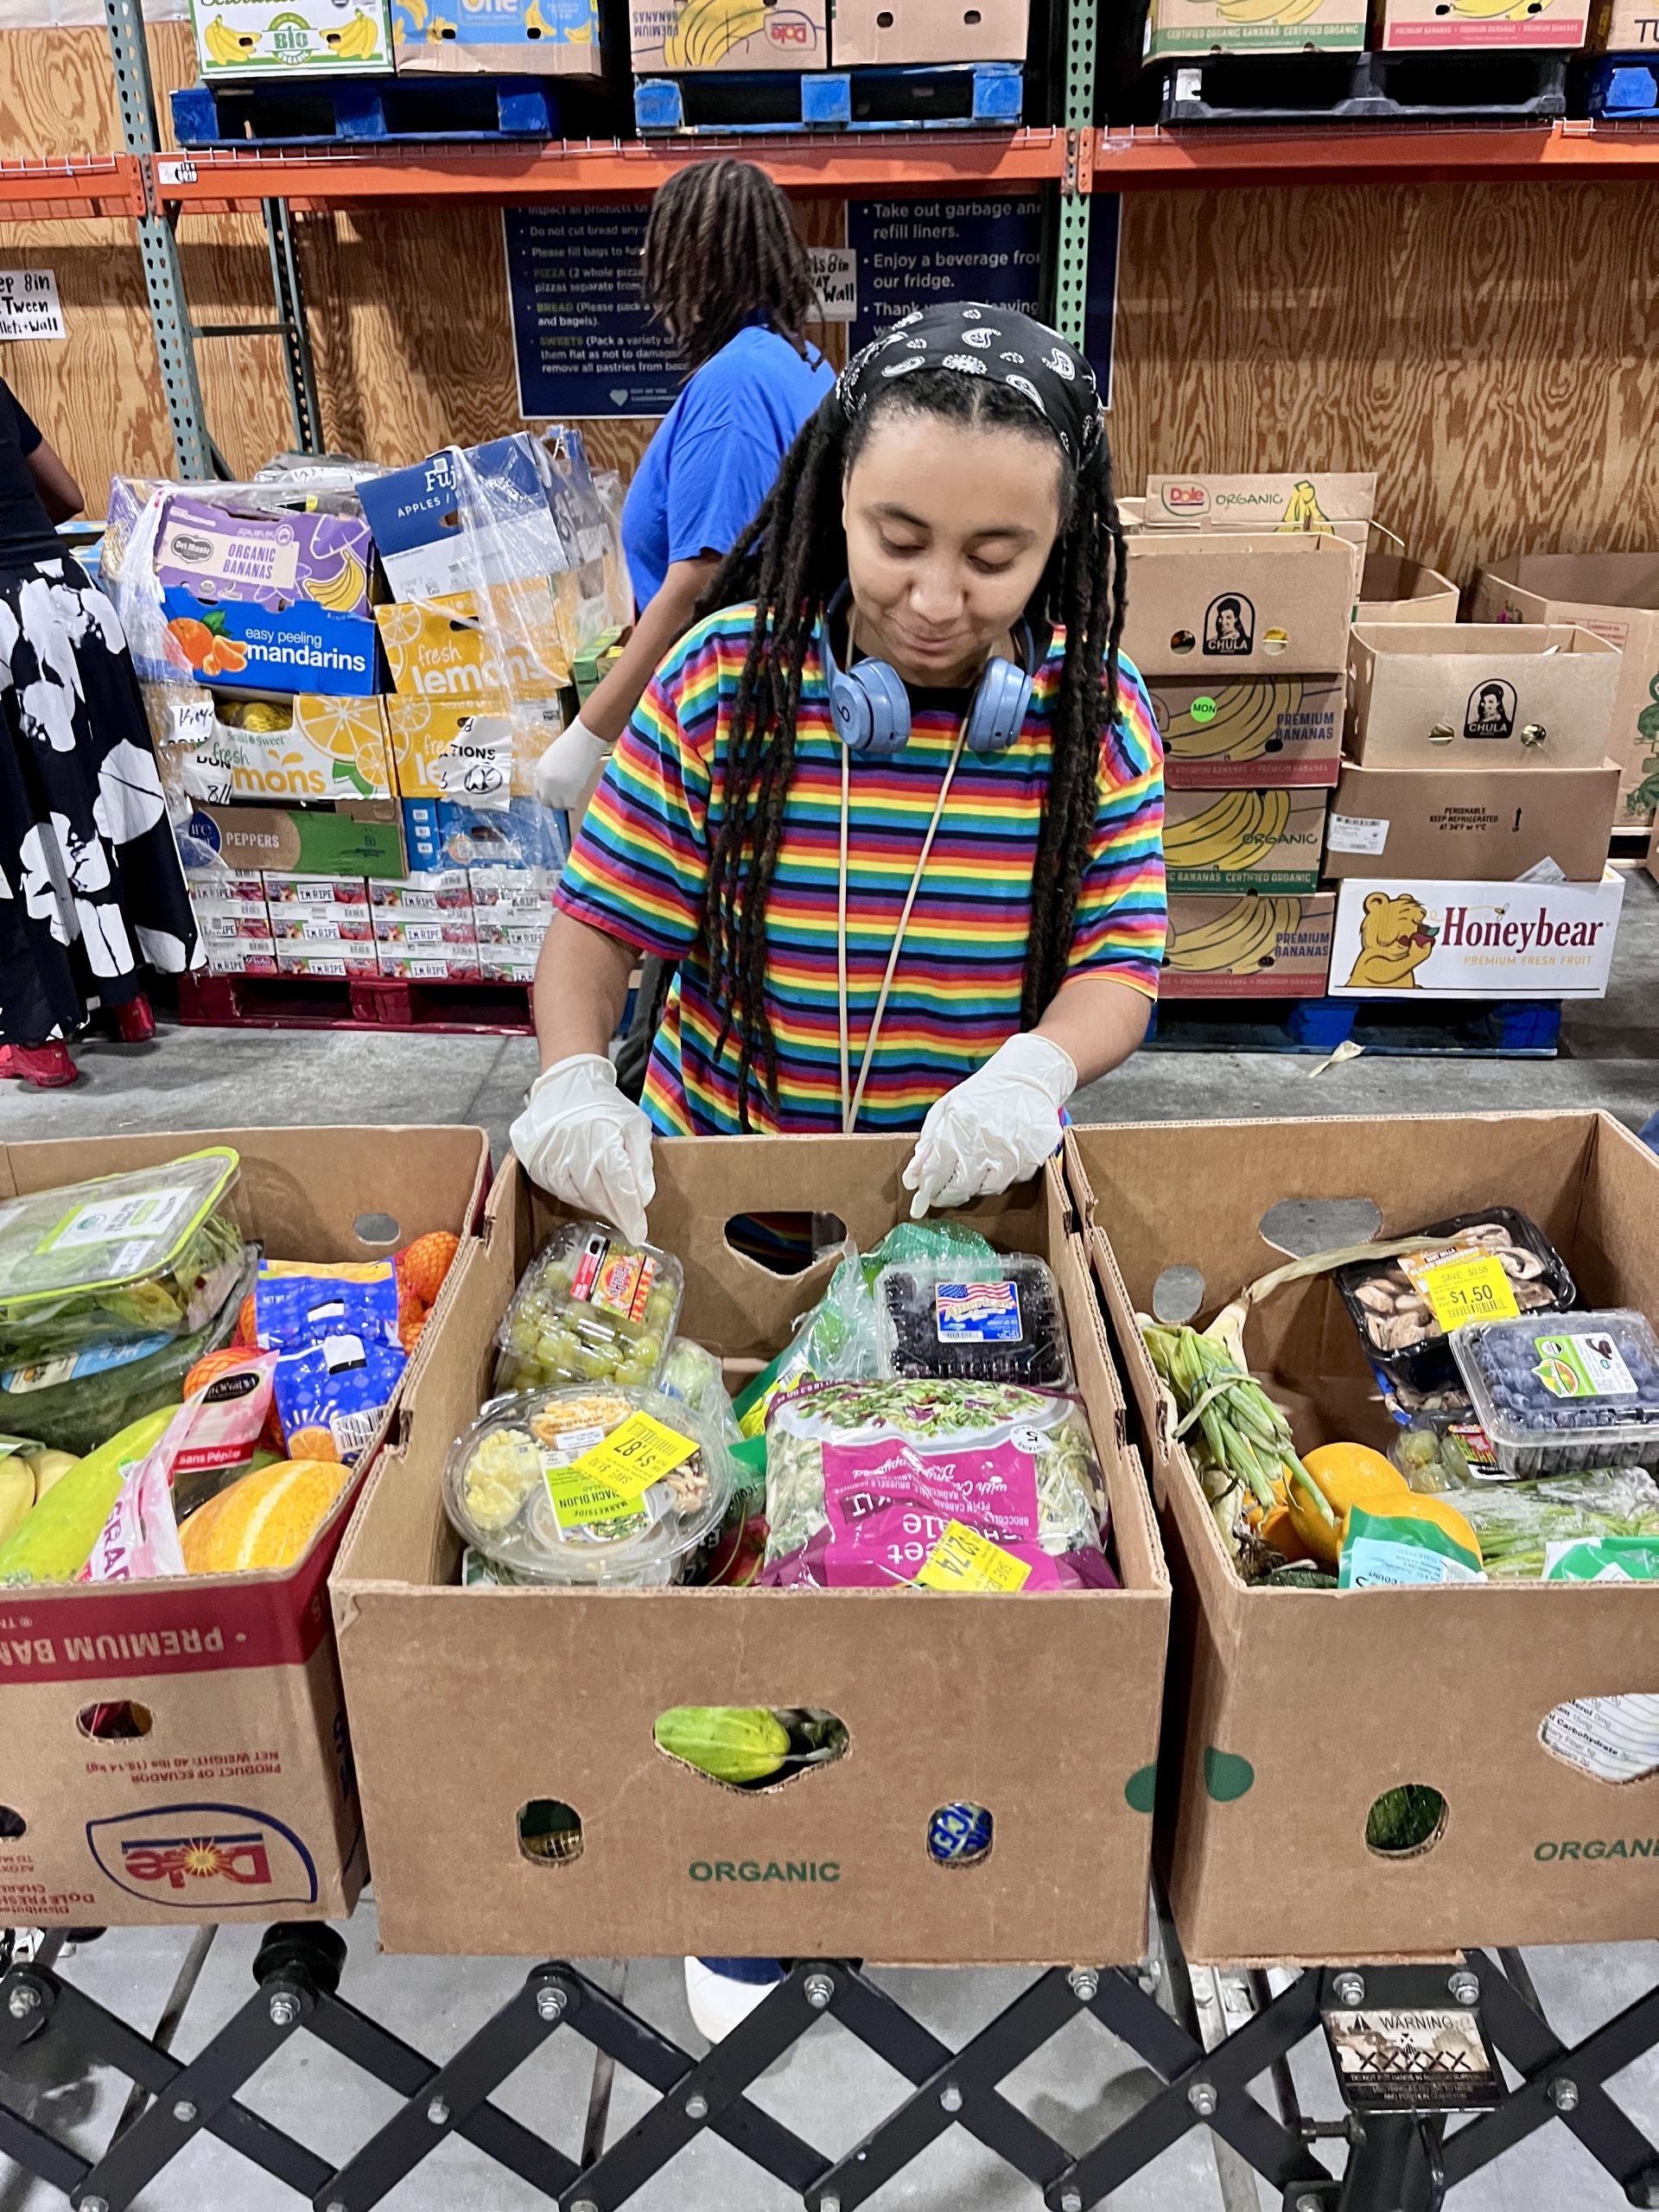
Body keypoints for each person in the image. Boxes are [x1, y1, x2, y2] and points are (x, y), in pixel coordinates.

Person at [514, 302, 1165, 2042]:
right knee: (732, 1530)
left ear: (1061, 549)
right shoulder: (732, 689)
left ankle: (926, 1824)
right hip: (726, 1207)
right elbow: (589, 934)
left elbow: (1120, 954)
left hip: (958, 1233)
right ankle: (758, 1871)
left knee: (929, 1533)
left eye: (997, 553)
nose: (940, 597)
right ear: (832, 504)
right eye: (898, 539)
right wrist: (579, 1075)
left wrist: (1044, 1063)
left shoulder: (1093, 720)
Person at [534, 157, 834, 817]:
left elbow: (700, 577)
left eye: (665, 261)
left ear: (700, 267)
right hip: (770, 713)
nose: (658, 288)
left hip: (726, 726)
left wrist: (589, 736)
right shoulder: (800, 361)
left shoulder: (734, 387)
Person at [0, 378, 194, 1085]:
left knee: (13, 836)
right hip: (63, 597)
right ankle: (128, 999)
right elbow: (67, 495)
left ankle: (37, 1035)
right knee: (92, 807)